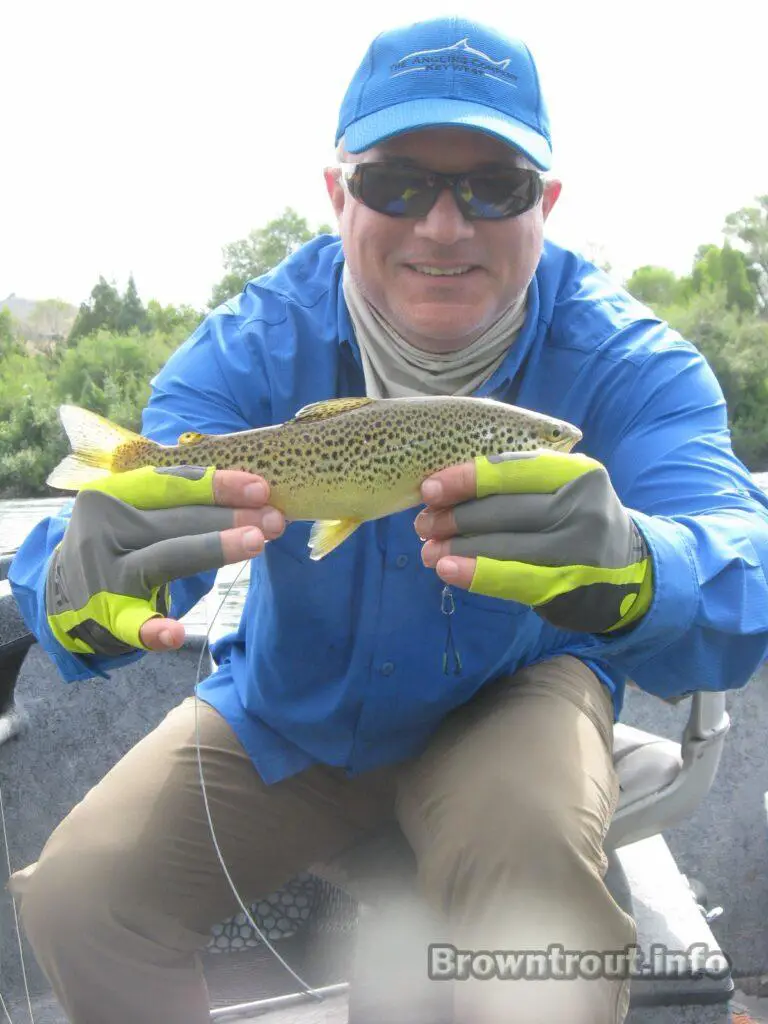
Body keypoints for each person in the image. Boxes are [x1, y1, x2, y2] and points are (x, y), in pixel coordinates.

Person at [7, 15, 768, 1024]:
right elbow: (147, 551)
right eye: (396, 182)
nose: (442, 226)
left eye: (492, 187)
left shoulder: (633, 362)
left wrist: (640, 562)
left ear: (545, 204)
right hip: (291, 707)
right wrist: (78, 578)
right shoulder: (248, 346)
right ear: (337, 193)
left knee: (535, 885)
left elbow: (743, 564)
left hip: (517, 699)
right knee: (80, 897)